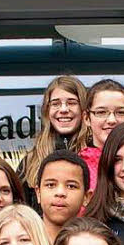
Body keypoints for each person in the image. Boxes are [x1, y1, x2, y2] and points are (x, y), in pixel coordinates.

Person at [19, 75, 89, 207]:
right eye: (56, 104)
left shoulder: (96, 154)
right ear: (47, 111)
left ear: (83, 110)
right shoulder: (30, 162)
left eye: (72, 103)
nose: (63, 110)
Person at [80, 79, 124, 190]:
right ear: (86, 118)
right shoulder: (77, 167)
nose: (111, 120)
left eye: (120, 112)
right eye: (101, 112)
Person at [37, 149, 91, 244]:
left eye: (71, 186)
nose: (60, 193)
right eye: (51, 185)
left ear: (86, 197)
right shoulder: (24, 244)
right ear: (38, 193)